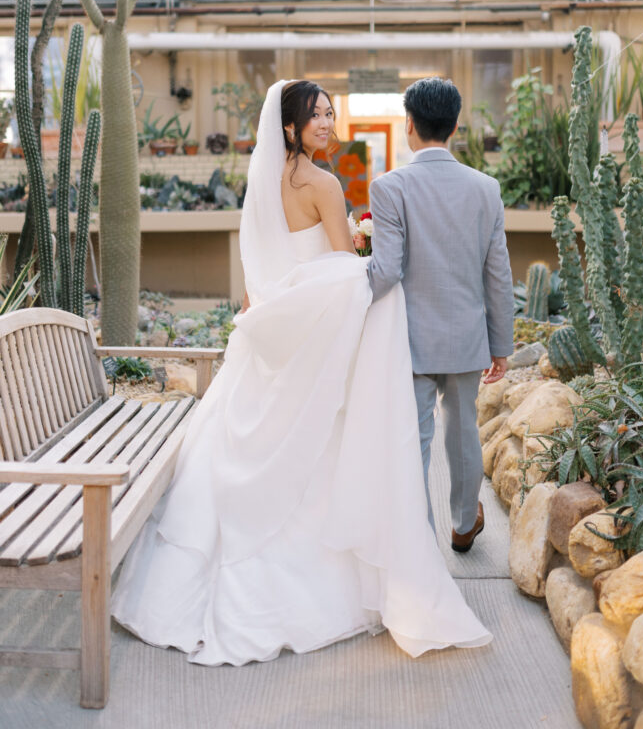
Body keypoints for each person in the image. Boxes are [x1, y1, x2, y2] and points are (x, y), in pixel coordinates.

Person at [111, 79, 492, 666]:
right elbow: (345, 271)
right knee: (322, 445)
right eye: (315, 115)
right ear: (289, 126)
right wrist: (367, 255)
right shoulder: (323, 184)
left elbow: (255, 274)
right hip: (313, 333)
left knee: (248, 445)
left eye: (328, 112)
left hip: (274, 334)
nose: (326, 122)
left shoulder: (261, 184)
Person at [368, 77, 514, 550]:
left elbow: (386, 271)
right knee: (464, 428)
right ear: (454, 127)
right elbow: (499, 273)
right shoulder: (485, 188)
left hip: (408, 339)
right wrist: (501, 345)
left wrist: (347, 288)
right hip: (467, 337)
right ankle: (463, 523)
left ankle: (418, 541)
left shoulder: (389, 187)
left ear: (410, 125)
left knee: (415, 440)